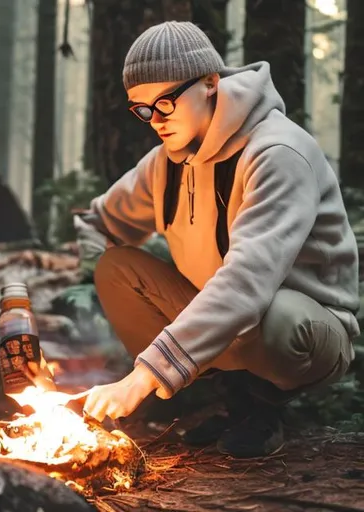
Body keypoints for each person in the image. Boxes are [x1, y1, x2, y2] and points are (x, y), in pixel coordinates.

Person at [77, 21, 359, 458]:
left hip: (307, 329)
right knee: (116, 270)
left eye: (165, 102)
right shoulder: (164, 163)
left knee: (274, 317)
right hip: (231, 319)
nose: (156, 120)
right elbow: (100, 221)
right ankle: (234, 397)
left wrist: (144, 376)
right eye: (142, 109)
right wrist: (79, 299)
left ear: (210, 83)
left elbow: (248, 281)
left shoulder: (277, 154)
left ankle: (264, 406)